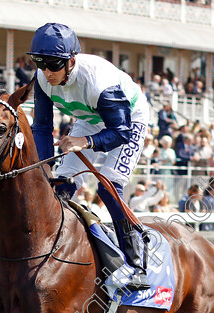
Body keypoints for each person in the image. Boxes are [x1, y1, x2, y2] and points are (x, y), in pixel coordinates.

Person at [29, 22, 151, 290]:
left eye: (53, 64)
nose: (47, 72)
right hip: (90, 118)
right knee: (58, 186)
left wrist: (84, 142)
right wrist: (46, 167)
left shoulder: (98, 81)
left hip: (128, 120)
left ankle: (138, 260)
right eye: (40, 63)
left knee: (107, 185)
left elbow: (120, 132)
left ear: (71, 61)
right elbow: (40, 127)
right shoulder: (42, 79)